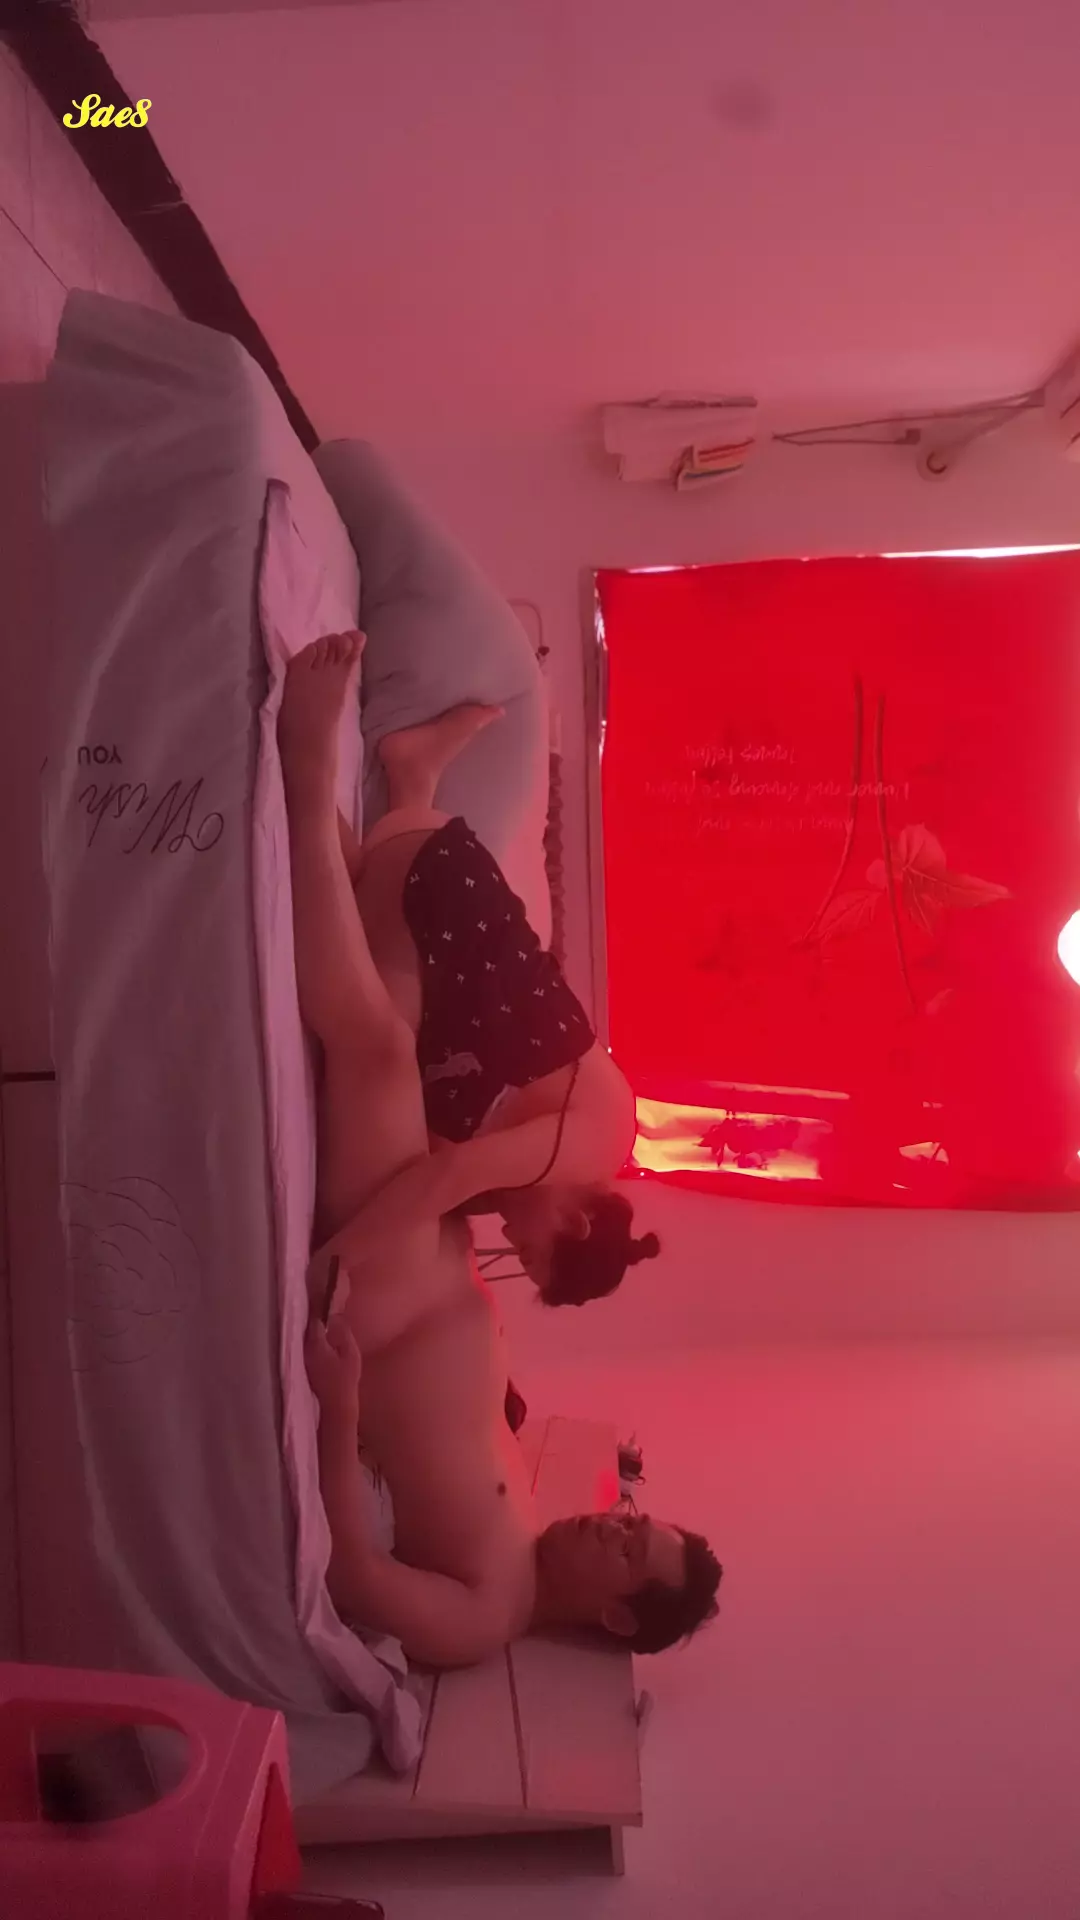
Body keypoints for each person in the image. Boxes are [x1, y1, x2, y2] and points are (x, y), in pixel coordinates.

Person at [281, 632, 721, 1668]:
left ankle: (307, 779)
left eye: (627, 1552)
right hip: (413, 1248)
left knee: (379, 1046)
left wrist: (337, 1409)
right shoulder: (523, 1510)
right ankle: (368, 807)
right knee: (389, 1023)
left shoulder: (486, 1615)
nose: (612, 1524)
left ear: (618, 1617)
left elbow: (357, 1576)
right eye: (634, 1522)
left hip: (369, 1293)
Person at [333, 692, 660, 1308]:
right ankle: (312, 793)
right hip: (429, 877)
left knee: (383, 1078)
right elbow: (444, 1177)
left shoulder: (519, 1168)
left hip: (427, 860)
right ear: (574, 1224)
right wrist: (332, 1265)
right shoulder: (597, 1141)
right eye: (529, 1252)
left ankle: (413, 778)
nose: (509, 1241)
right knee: (372, 1044)